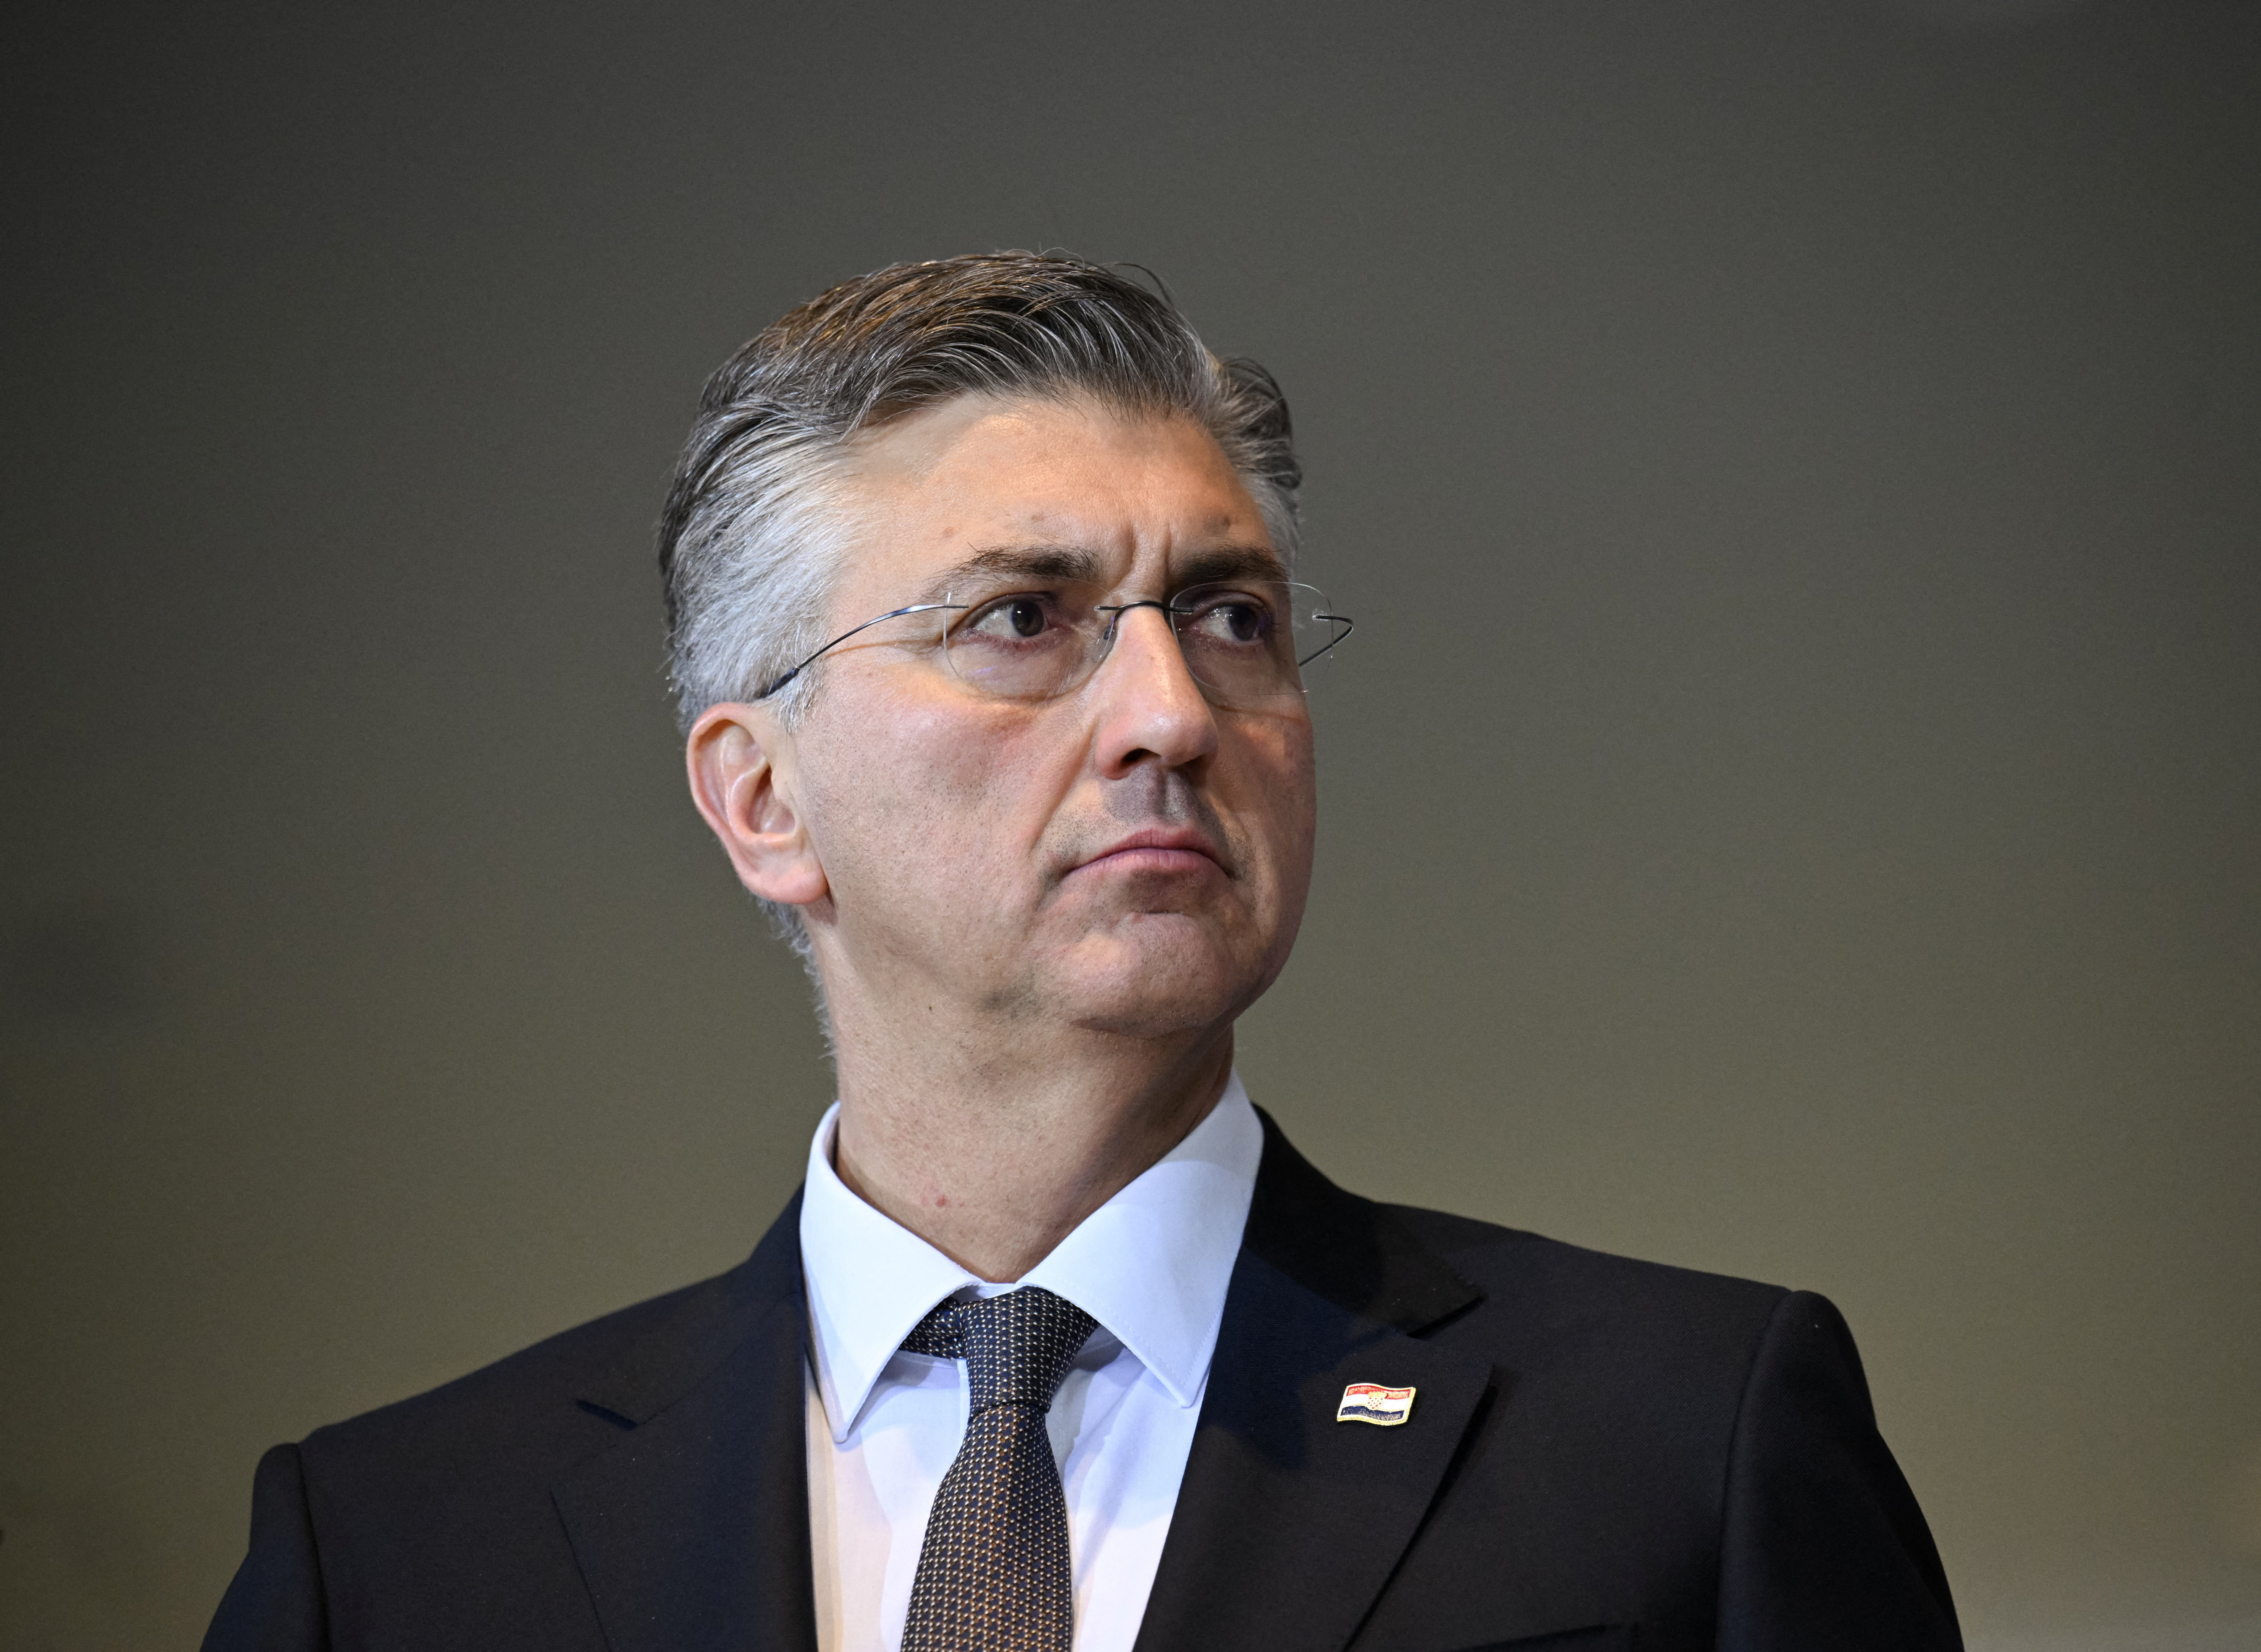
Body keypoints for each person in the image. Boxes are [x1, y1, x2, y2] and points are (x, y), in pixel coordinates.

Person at [204, 252, 1962, 1652]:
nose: (1170, 714)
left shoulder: (1680, 1437)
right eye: (1020, 619)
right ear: (763, 797)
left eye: (1229, 616)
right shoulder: (398, 1548)